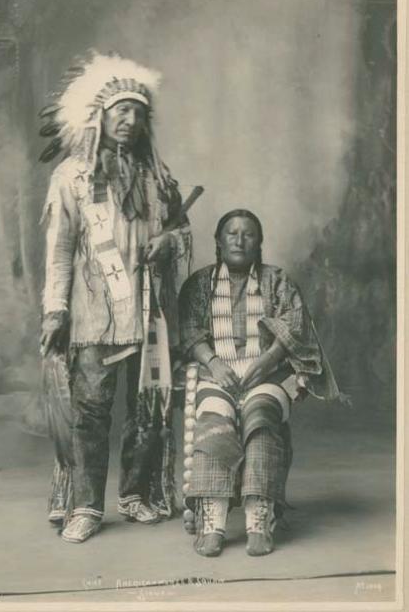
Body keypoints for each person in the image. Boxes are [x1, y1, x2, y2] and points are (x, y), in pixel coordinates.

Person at [39, 52, 191, 543]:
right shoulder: (72, 178)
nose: (129, 121)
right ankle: (85, 506)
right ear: (99, 116)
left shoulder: (156, 177)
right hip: (93, 315)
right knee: (89, 412)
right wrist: (55, 310)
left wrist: (168, 242)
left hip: (148, 315)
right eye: (121, 111)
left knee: (148, 409)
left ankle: (138, 494)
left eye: (138, 112)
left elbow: (182, 230)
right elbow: (60, 250)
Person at [178, 209, 341, 557]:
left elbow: (295, 326)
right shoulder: (199, 284)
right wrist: (214, 362)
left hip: (267, 377)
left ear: (259, 242)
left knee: (261, 415)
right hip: (216, 375)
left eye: (248, 233)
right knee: (214, 416)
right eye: (232, 233)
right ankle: (213, 519)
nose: (239, 240)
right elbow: (190, 331)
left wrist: (265, 362)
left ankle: (259, 516)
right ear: (219, 242)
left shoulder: (276, 281)